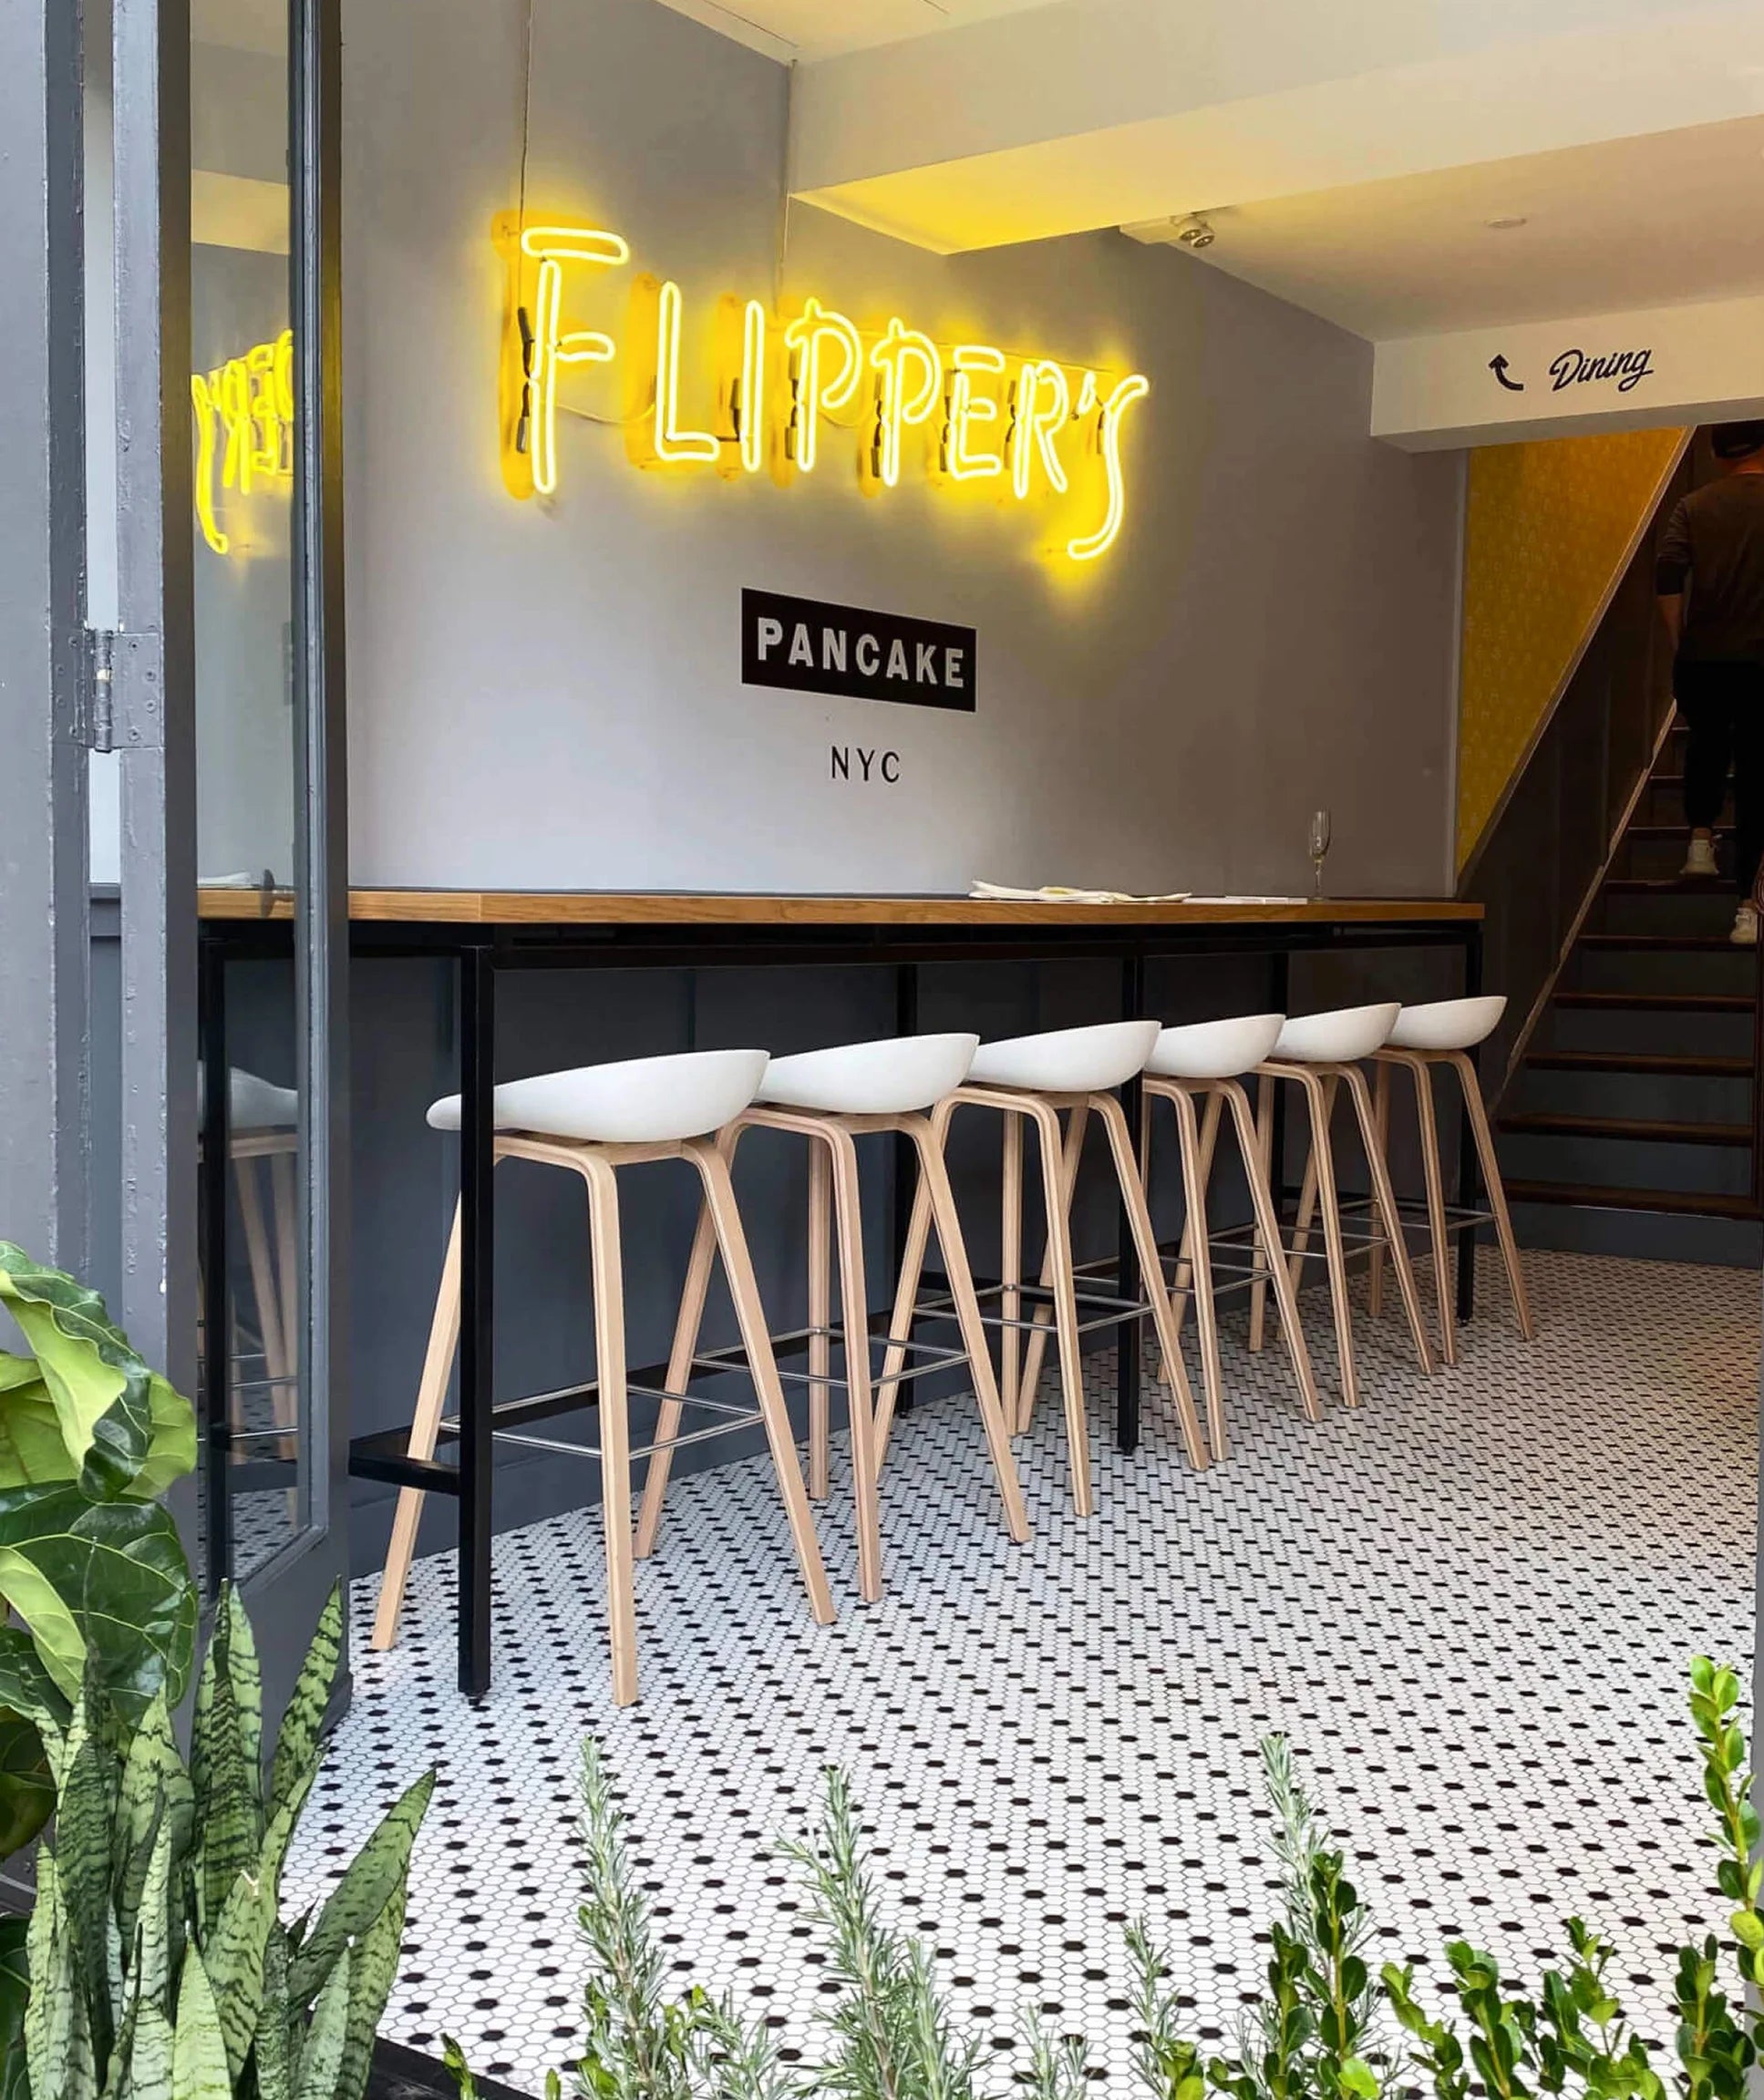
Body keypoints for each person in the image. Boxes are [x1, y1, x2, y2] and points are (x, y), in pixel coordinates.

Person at [1656, 420, 1764, 945]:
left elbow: (1668, 572)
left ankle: (1700, 841)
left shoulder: (1693, 506)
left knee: (1706, 745)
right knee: (1757, 777)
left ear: (1720, 456)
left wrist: (1682, 640)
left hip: (1705, 656)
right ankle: (1749, 907)